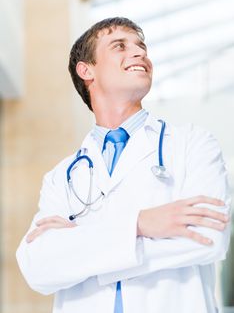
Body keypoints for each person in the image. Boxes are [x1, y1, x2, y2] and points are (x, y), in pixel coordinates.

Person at [16, 17, 231, 313]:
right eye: (120, 45)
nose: (140, 52)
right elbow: (37, 267)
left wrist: (80, 241)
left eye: (142, 46)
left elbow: (208, 237)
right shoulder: (61, 178)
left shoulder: (193, 144)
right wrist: (141, 224)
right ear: (86, 70)